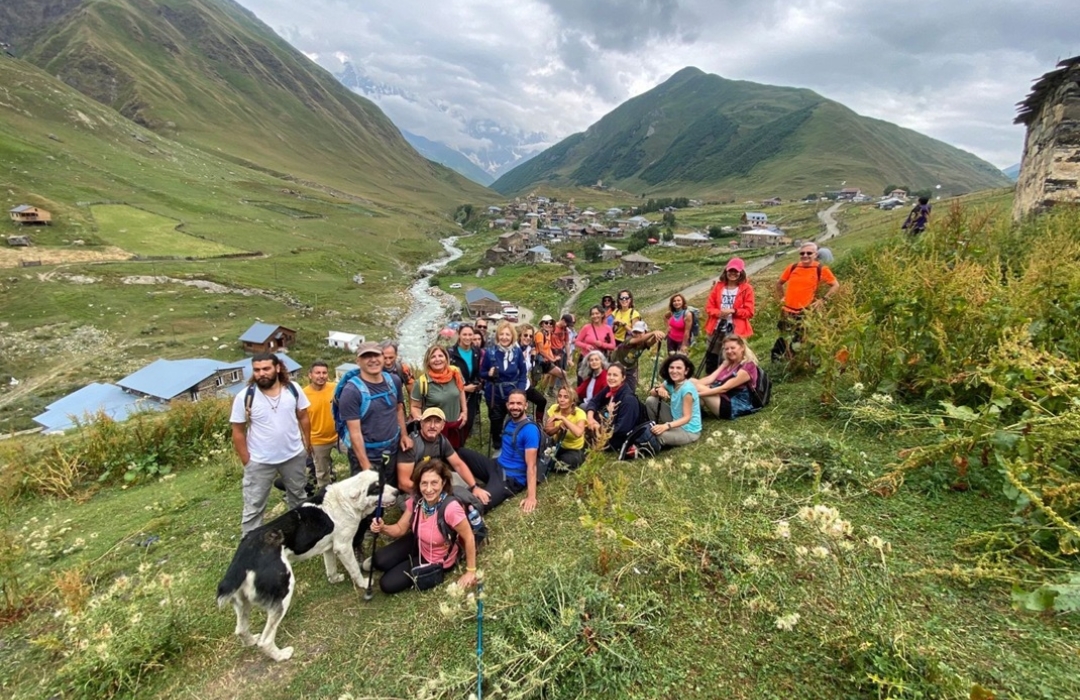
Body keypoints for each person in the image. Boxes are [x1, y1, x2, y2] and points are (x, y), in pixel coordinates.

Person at [230, 353, 313, 534]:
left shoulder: (293, 389)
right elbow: (238, 431)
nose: (261, 373)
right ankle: (250, 544)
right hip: (260, 461)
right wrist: (247, 461)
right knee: (254, 506)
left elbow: (303, 416)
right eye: (257, 370)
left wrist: (307, 443)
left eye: (266, 368)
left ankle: (300, 534)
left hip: (293, 456)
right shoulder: (245, 397)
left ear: (277, 368)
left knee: (298, 496)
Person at [369, 460, 477, 594]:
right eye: (424, 483)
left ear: (443, 483)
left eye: (434, 483)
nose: (429, 489)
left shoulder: (451, 509)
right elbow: (400, 529)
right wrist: (382, 527)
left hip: (436, 557)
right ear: (418, 485)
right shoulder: (417, 501)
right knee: (379, 560)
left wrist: (470, 571)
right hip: (420, 540)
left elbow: (469, 537)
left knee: (387, 584)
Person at [458, 390, 545, 513]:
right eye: (512, 403)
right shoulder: (509, 421)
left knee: (478, 504)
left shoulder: (530, 430)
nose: (515, 407)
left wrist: (531, 497)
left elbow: (531, 466)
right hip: (496, 465)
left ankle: (459, 505)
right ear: (507, 405)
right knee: (459, 452)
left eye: (519, 404)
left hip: (510, 478)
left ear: (526, 406)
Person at [339, 342, 412, 486]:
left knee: (387, 491)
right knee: (367, 499)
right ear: (358, 361)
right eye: (366, 356)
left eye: (376, 355)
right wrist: (366, 466)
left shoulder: (394, 381)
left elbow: (398, 409)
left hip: (391, 449)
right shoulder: (351, 392)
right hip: (367, 454)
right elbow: (355, 433)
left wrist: (403, 435)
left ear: (383, 357)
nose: (373, 360)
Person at [397, 407, 494, 509]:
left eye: (437, 422)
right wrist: (432, 492)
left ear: (443, 426)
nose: (432, 426)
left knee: (467, 485)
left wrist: (474, 487)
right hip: (416, 488)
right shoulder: (411, 444)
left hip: (438, 481)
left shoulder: (442, 441)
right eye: (428, 421)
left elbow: (458, 464)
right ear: (421, 424)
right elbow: (403, 483)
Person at [775, 242, 839, 348]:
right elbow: (779, 283)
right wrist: (782, 298)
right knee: (782, 338)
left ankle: (796, 362)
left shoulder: (821, 269)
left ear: (815, 255)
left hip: (805, 312)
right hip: (787, 311)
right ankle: (777, 361)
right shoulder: (792, 267)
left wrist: (823, 300)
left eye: (809, 253)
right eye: (802, 253)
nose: (805, 255)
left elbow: (835, 285)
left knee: (800, 340)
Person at [480, 321, 527, 451]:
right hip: (494, 394)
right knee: (496, 421)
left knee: (516, 418)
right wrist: (488, 374)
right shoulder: (490, 353)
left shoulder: (517, 353)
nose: (504, 337)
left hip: (513, 394)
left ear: (512, 336)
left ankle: (514, 442)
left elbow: (523, 373)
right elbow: (482, 373)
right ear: (497, 336)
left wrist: (521, 392)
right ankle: (498, 446)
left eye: (507, 334)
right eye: (502, 334)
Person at [704, 257, 756, 374]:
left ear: (741, 272)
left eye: (736, 271)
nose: (732, 274)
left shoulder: (747, 289)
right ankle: (710, 380)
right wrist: (719, 313)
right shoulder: (718, 287)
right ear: (726, 271)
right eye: (730, 271)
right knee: (711, 354)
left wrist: (734, 311)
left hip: (735, 329)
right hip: (716, 326)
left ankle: (729, 381)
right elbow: (709, 307)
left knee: (731, 355)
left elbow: (749, 311)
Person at [411, 345, 468, 448]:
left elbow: (461, 390)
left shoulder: (455, 373)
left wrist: (464, 412)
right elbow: (415, 406)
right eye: (433, 357)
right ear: (428, 361)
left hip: (455, 426)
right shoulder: (421, 383)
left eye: (440, 356)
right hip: (434, 431)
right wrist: (421, 421)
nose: (437, 359)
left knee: (454, 456)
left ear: (446, 358)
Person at [694, 335, 761, 420]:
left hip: (733, 407)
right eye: (726, 349)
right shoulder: (729, 363)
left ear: (742, 347)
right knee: (692, 382)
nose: (729, 351)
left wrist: (696, 394)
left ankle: (690, 414)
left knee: (697, 388)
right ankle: (695, 412)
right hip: (722, 398)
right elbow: (709, 379)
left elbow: (724, 388)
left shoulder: (748, 366)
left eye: (733, 348)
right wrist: (689, 385)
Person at [585, 363, 643, 455]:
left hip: (620, 436)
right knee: (584, 408)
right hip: (608, 424)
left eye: (615, 375)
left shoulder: (629, 399)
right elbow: (594, 401)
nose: (611, 378)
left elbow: (623, 429)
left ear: (623, 378)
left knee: (584, 438)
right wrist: (590, 419)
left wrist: (599, 429)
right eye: (609, 374)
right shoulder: (610, 389)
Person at [645, 354, 702, 448]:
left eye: (679, 368)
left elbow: (687, 418)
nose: (674, 371)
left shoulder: (687, 389)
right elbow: (652, 393)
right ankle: (653, 426)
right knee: (651, 400)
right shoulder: (670, 382)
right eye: (671, 367)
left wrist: (666, 426)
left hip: (688, 430)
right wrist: (658, 389)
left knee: (656, 436)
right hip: (674, 420)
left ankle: (658, 434)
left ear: (686, 371)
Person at [303, 360, 339, 488]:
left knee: (357, 456)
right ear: (310, 375)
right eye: (317, 373)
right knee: (322, 473)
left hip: (339, 435)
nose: (321, 376)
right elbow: (300, 420)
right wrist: (306, 441)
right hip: (317, 440)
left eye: (324, 372)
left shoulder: (335, 388)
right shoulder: (303, 394)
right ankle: (325, 497)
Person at [448, 324, 482, 443]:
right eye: (464, 334)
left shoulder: (476, 352)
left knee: (468, 421)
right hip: (455, 394)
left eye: (470, 334)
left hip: (472, 394)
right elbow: (447, 377)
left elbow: (477, 372)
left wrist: (478, 383)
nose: (467, 337)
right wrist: (464, 388)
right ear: (459, 335)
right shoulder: (451, 353)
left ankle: (461, 445)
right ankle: (453, 447)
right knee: (456, 421)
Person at [610, 320, 665, 392]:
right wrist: (653, 332)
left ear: (645, 332)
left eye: (640, 332)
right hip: (617, 365)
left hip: (630, 368)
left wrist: (658, 334)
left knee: (631, 388)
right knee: (616, 387)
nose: (637, 334)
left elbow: (651, 342)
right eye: (635, 332)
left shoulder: (644, 343)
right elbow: (639, 339)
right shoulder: (629, 339)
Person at [544, 386, 587, 471]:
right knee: (542, 456)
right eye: (559, 396)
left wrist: (563, 419)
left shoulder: (579, 413)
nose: (561, 400)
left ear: (572, 401)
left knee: (562, 463)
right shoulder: (554, 408)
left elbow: (578, 433)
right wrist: (558, 427)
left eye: (566, 397)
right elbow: (547, 431)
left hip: (574, 449)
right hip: (556, 445)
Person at [517, 324, 548, 421]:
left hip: (526, 384)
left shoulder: (529, 349)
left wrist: (532, 357)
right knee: (519, 411)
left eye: (530, 336)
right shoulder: (514, 349)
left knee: (542, 401)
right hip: (515, 386)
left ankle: (539, 423)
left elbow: (530, 367)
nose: (528, 338)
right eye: (525, 335)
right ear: (520, 336)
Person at [533, 315, 567, 394]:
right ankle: (530, 396)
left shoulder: (548, 333)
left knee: (563, 374)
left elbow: (548, 348)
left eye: (550, 323)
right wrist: (552, 359)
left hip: (546, 362)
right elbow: (541, 350)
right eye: (546, 323)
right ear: (542, 324)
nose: (549, 325)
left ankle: (566, 394)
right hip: (538, 362)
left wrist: (553, 358)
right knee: (534, 382)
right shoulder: (539, 334)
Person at [380, 341, 415, 409]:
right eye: (385, 358)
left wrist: (412, 411)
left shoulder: (403, 369)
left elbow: (412, 392)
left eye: (391, 358)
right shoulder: (374, 370)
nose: (388, 362)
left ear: (396, 355)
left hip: (398, 408)